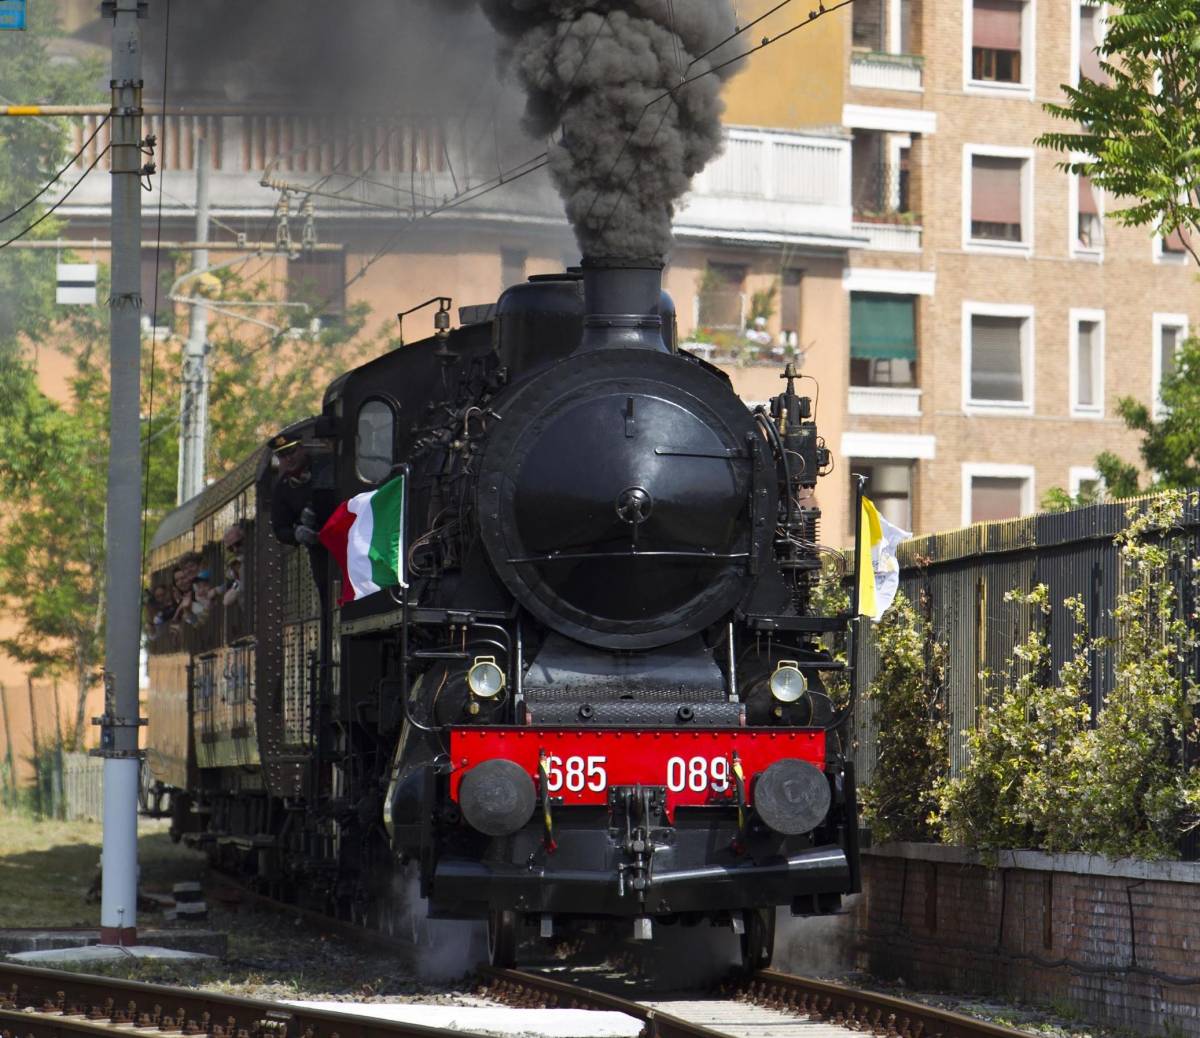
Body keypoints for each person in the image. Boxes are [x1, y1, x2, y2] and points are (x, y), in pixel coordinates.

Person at [269, 431, 337, 608]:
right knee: (325, 588)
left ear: (301, 448)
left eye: (291, 452)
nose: (288, 459)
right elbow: (280, 528)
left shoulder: (325, 466)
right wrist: (297, 533)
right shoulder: (282, 488)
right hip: (319, 547)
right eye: (282, 455)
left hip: (341, 535)